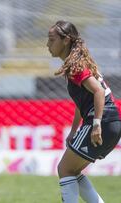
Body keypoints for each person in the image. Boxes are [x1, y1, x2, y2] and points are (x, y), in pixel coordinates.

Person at [47, 20, 121, 203]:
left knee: (64, 169)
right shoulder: (76, 62)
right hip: (112, 123)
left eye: (51, 39)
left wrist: (96, 125)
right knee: (72, 170)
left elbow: (99, 91)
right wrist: (73, 131)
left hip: (102, 123)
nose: (47, 44)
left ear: (66, 40)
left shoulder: (75, 66)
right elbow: (82, 104)